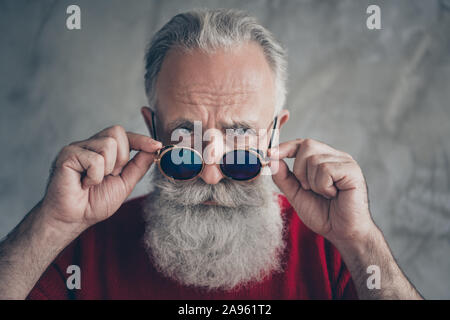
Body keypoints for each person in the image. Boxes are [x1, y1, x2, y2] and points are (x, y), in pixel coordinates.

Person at [0, 8, 422, 300]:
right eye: (185, 139)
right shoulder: (81, 247)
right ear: (152, 131)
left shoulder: (336, 248)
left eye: (239, 141)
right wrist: (52, 223)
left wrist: (360, 241)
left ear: (275, 134)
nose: (212, 175)